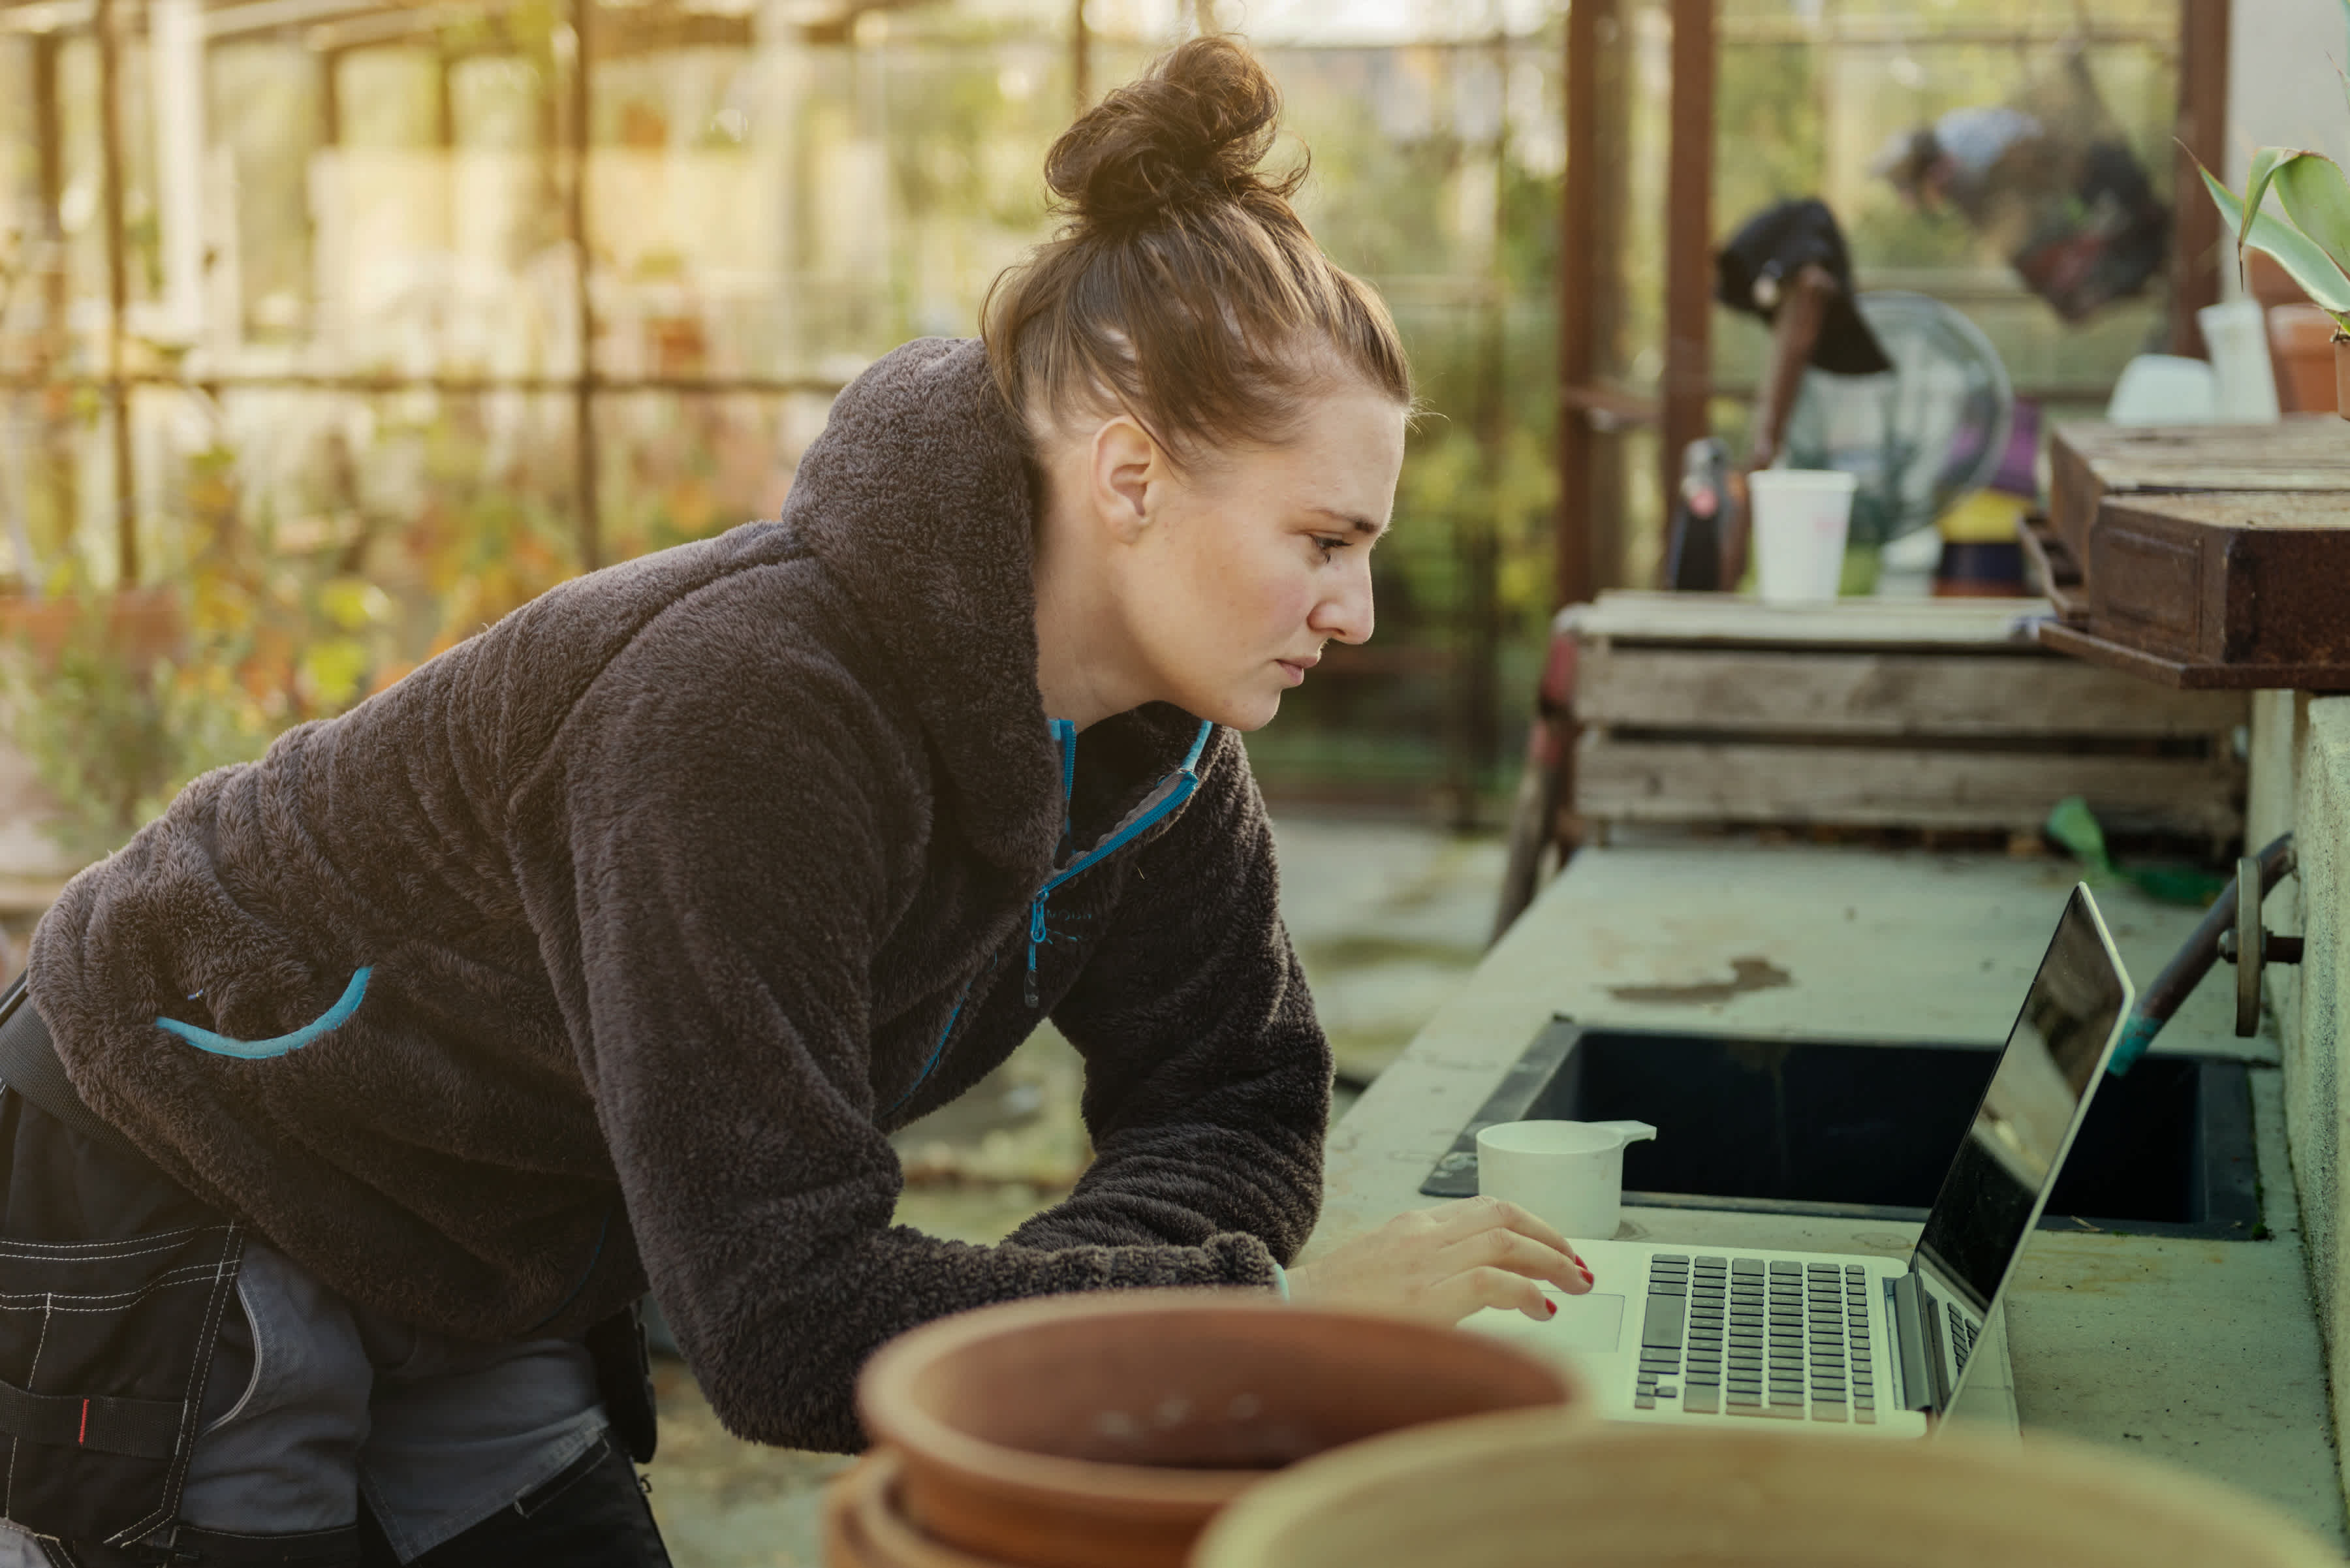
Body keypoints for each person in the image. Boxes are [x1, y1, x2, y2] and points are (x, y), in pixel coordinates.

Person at [0, 37, 1589, 1568]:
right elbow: (778, 1321)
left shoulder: (1163, 753)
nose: (1360, 611)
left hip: (487, 1240)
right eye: (1323, 541)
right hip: (191, 1166)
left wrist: (1082, 1330)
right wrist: (1255, 1333)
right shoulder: (745, 716)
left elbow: (1233, 1092)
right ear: (1127, 477)